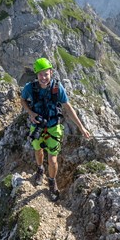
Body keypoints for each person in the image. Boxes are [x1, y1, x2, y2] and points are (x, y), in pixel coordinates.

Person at [20, 57, 90, 200]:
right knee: (38, 151)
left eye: (46, 74)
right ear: (36, 75)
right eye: (40, 74)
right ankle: (40, 169)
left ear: (51, 72)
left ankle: (52, 181)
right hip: (37, 126)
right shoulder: (30, 88)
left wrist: (81, 128)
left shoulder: (57, 89)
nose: (43, 77)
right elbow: (22, 100)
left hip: (53, 127)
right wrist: (30, 113)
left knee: (52, 160)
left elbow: (68, 108)